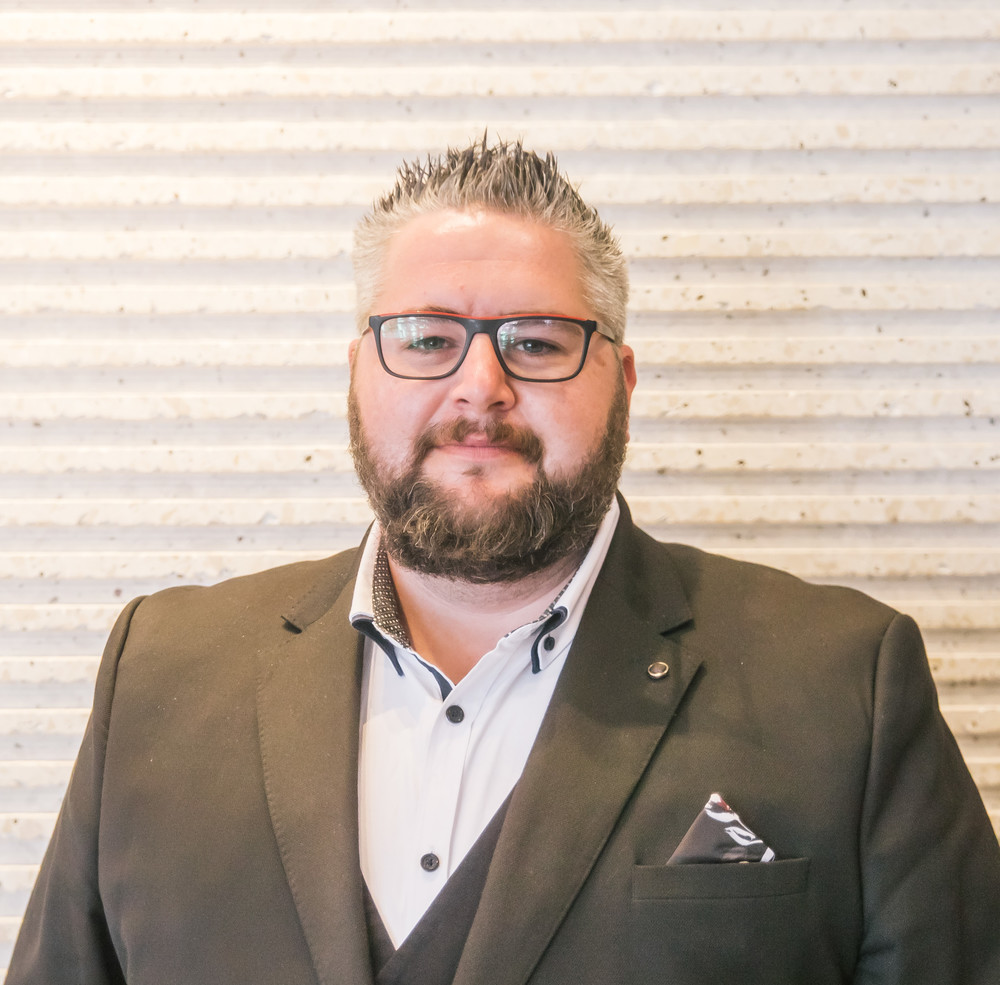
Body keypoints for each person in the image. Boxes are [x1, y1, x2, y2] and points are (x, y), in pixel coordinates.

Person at [6, 137, 999, 985]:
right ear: (358, 374)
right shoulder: (160, 671)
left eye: (536, 342)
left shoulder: (845, 684)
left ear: (622, 380)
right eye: (425, 338)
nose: (479, 385)